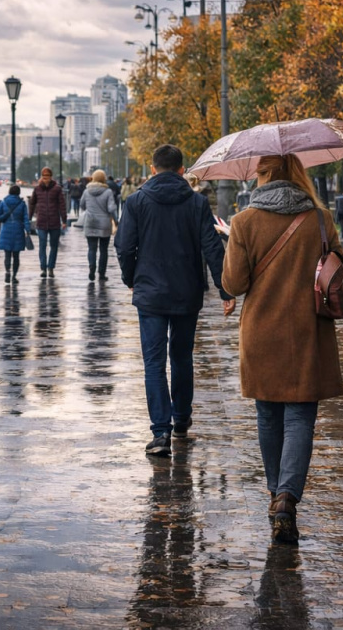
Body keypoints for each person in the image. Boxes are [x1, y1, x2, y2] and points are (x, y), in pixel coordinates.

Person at [221, 153, 343, 544]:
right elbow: (337, 272)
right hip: (309, 330)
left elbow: (234, 283)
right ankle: (287, 498)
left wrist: (232, 244)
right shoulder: (321, 219)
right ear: (297, 174)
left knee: (268, 415)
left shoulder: (244, 221)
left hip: (262, 331)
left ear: (261, 176)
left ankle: (277, 492)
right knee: (300, 418)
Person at [115, 144, 234, 457]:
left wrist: (132, 280)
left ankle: (160, 433)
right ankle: (181, 419)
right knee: (181, 356)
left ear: (152, 169)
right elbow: (212, 247)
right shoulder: (196, 203)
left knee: (154, 363)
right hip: (186, 291)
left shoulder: (136, 201)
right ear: (183, 170)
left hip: (150, 294)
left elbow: (125, 247)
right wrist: (226, 290)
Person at [29, 166, 68, 278]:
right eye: (44, 176)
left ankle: (51, 267)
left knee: (54, 246)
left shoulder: (57, 189)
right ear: (41, 177)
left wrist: (64, 220)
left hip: (54, 221)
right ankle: (43, 268)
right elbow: (32, 204)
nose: (45, 178)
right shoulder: (37, 189)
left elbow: (62, 205)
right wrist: (29, 217)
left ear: (51, 177)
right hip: (41, 221)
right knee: (42, 245)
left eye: (47, 176)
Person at [80, 169, 117, 282]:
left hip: (90, 222)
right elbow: (111, 208)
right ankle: (102, 273)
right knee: (104, 250)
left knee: (91, 248)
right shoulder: (108, 192)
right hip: (104, 224)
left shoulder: (87, 191)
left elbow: (82, 205)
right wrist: (116, 221)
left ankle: (92, 267)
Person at [0, 184, 31, 283]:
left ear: (9, 192)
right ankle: (14, 276)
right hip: (18, 231)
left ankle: (7, 272)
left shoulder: (3, 202)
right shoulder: (22, 204)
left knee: (7, 255)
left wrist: (4, 217)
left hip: (6, 230)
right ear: (19, 193)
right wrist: (28, 230)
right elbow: (25, 219)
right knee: (16, 256)